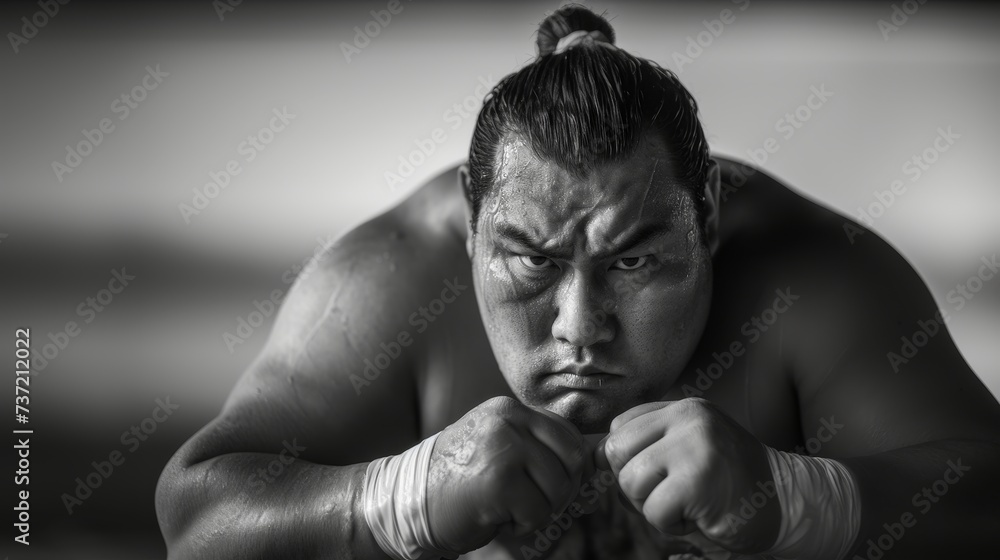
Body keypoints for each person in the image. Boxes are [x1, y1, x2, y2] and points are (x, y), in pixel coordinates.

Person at [155, 5, 1000, 559]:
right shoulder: (393, 280)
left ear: (705, 216)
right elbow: (196, 520)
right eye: (533, 260)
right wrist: (399, 497)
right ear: (472, 217)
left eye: (633, 261)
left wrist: (797, 498)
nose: (579, 327)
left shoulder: (812, 278)